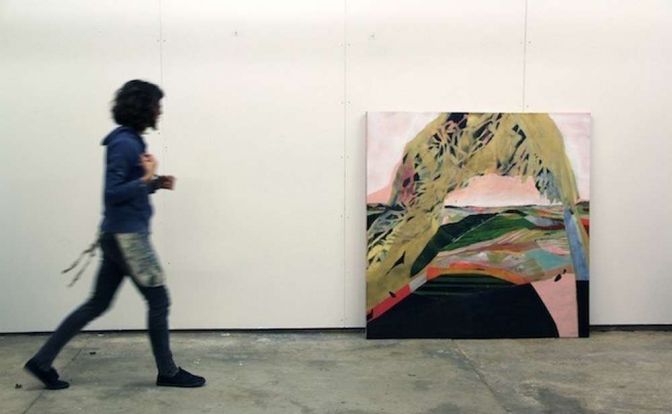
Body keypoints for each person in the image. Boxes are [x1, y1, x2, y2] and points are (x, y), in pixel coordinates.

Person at [24, 80, 205, 389]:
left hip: (117, 235)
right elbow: (113, 193)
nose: (159, 111)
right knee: (159, 301)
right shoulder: (125, 144)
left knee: (98, 303)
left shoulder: (129, 140)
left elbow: (126, 190)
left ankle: (42, 362)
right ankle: (168, 372)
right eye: (156, 105)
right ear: (144, 107)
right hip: (129, 239)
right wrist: (146, 178)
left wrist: (155, 183)